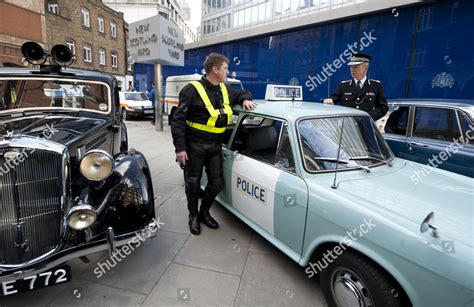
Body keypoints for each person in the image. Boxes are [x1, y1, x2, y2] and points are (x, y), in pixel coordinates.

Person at [171, 53, 256, 235]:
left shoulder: (225, 89)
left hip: (215, 145)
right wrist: (180, 148)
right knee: (192, 183)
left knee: (217, 183)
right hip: (194, 145)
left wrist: (244, 99)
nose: (228, 71)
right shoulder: (191, 90)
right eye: (226, 68)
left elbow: (243, 92)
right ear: (215, 69)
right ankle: (193, 216)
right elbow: (178, 120)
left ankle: (203, 212)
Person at [323, 52, 388, 121]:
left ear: (365, 67)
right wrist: (328, 100)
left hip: (365, 126)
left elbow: (383, 108)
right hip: (347, 125)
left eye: (356, 67)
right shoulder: (344, 86)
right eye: (351, 67)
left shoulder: (376, 86)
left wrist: (367, 117)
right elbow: (332, 99)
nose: (352, 70)